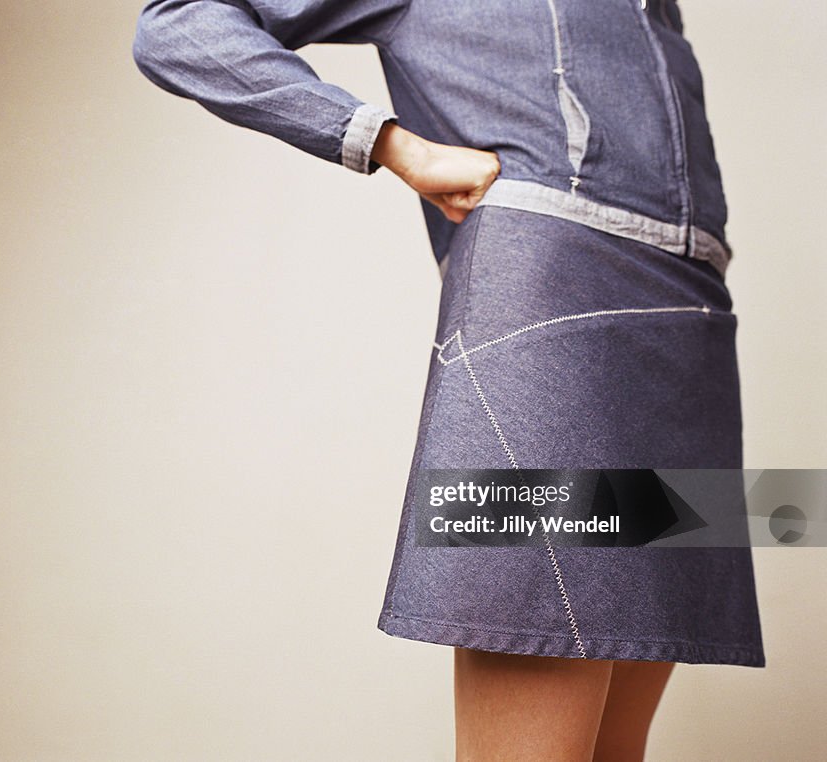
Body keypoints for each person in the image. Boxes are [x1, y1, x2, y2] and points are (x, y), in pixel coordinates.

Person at [131, 1, 765, 759]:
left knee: (616, 747)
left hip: (690, 315)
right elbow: (179, 25)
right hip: (551, 306)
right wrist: (391, 145)